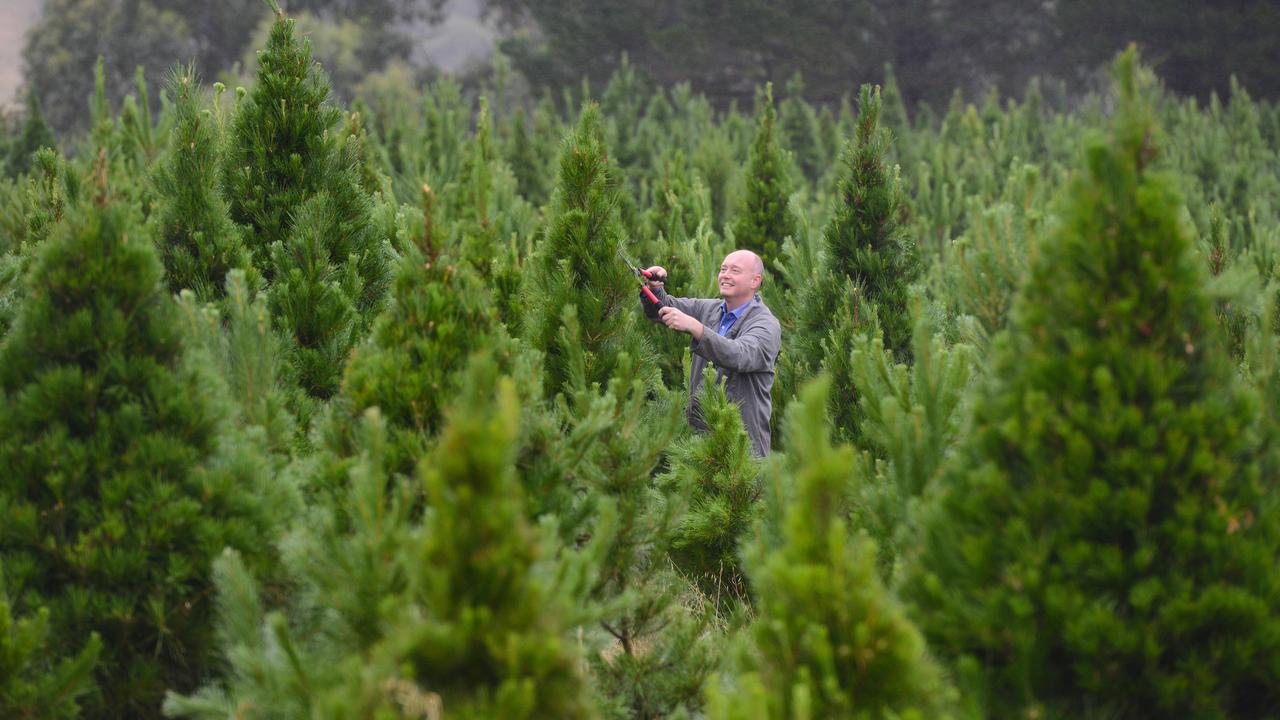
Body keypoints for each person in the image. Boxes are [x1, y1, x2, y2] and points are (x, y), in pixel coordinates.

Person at [641, 249, 781, 456]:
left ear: (755, 281)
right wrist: (655, 288)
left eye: (735, 270)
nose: (725, 275)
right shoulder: (710, 309)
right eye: (723, 269)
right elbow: (664, 308)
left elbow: (740, 355)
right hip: (701, 438)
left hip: (743, 444)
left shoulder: (766, 325)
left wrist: (697, 328)